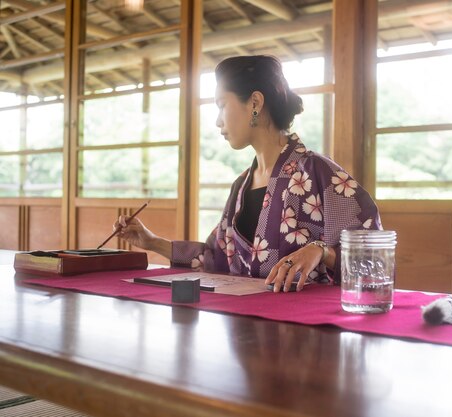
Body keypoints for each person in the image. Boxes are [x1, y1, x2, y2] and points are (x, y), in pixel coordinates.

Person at [115, 55, 381, 292]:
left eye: (221, 105)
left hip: (306, 327)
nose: (218, 120)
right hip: (245, 325)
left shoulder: (317, 171)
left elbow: (374, 254)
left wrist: (320, 251)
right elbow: (214, 257)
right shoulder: (241, 185)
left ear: (255, 102)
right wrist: (152, 242)